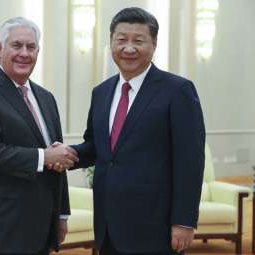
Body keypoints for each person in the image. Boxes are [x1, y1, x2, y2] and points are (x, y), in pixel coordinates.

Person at [54, 7, 205, 255]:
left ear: (154, 44)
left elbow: (190, 160)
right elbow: (96, 147)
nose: (129, 48)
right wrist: (66, 153)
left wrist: (184, 220)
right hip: (108, 224)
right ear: (111, 42)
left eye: (139, 40)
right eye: (121, 39)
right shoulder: (101, 92)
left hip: (155, 226)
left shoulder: (177, 91)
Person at [0, 17, 78, 255]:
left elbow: (57, 158)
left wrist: (61, 213)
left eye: (31, 46)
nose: (24, 53)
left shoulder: (46, 98)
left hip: (39, 229)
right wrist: (43, 157)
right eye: (17, 45)